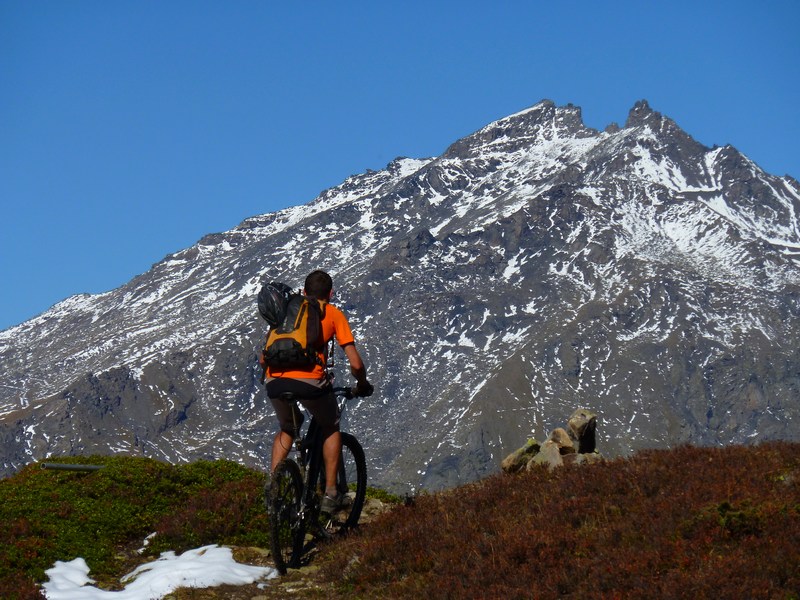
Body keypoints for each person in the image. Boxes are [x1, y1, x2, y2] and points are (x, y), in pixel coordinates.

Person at [261, 269, 373, 512]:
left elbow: (264, 359)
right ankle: (331, 493)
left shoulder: (286, 314)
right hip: (309, 382)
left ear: (303, 292)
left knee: (288, 427)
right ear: (330, 293)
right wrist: (363, 384)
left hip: (274, 381)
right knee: (330, 425)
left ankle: (274, 481)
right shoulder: (331, 313)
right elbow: (355, 364)